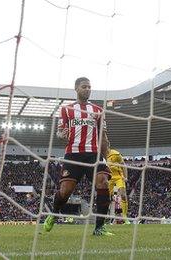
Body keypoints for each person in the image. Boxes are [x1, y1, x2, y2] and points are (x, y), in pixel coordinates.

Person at [43, 77, 113, 236]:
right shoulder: (66, 109)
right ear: (76, 88)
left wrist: (106, 153)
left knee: (103, 183)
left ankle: (99, 228)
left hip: (93, 154)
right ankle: (54, 214)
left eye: (89, 87)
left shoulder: (97, 110)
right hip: (73, 154)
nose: (87, 89)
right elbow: (60, 132)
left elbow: (103, 134)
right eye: (84, 87)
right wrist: (62, 134)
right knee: (65, 191)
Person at [106, 149, 130, 224]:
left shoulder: (115, 154)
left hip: (119, 177)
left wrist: (125, 177)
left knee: (123, 195)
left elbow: (123, 165)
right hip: (109, 177)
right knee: (106, 198)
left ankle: (124, 216)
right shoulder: (100, 156)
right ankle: (105, 217)